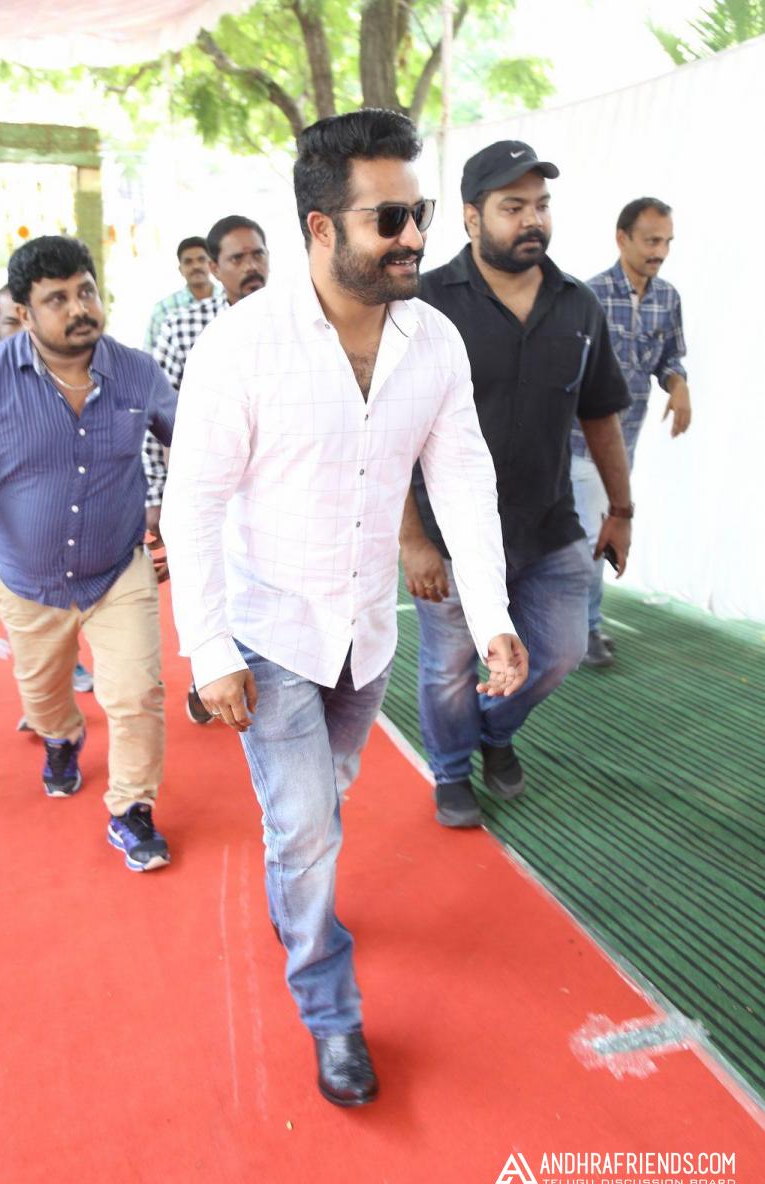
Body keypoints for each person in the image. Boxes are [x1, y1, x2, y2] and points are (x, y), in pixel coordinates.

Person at [161, 109, 528, 1105]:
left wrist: (491, 615)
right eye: (389, 219)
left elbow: (462, 480)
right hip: (270, 631)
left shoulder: (433, 341)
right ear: (321, 228)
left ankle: (298, 892)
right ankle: (331, 1013)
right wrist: (209, 651)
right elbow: (191, 505)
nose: (415, 236)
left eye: (418, 213)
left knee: (325, 799)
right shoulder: (242, 346)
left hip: (366, 634)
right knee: (308, 829)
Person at [400, 140, 633, 829]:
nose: (532, 219)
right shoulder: (422, 304)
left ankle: (495, 731)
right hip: (447, 535)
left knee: (560, 652)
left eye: (540, 205)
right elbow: (387, 431)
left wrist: (620, 509)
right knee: (449, 666)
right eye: (512, 207)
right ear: (471, 217)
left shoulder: (577, 305)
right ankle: (451, 773)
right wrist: (411, 539)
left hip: (549, 525)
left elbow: (600, 414)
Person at [0, 236, 176, 872]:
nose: (79, 307)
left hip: (118, 571)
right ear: (24, 312)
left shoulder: (138, 372)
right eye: (57, 299)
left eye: (85, 291)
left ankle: (132, 810)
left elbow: (198, 452)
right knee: (43, 697)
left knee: (136, 694)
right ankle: (61, 736)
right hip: (28, 583)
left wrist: (185, 529)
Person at [146, 215, 270, 725]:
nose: (251, 266)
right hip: (207, 487)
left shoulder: (299, 324)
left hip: (272, 490)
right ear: (216, 269)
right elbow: (153, 412)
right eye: (237, 259)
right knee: (214, 580)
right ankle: (210, 670)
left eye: (258, 254)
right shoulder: (183, 328)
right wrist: (156, 494)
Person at [571, 197, 690, 667]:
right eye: (651, 241)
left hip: (626, 446)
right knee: (590, 538)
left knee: (597, 534)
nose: (660, 252)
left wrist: (679, 387)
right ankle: (585, 630)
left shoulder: (668, 299)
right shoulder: (589, 297)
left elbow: (670, 359)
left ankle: (579, 626)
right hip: (580, 445)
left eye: (667, 242)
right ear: (622, 239)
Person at [0, 285, 95, 708]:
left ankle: (52, 684)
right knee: (30, 604)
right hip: (2, 523)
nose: (23, 332)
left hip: (75, 514)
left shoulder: (73, 370)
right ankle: (46, 696)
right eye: (11, 323)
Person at [142, 236, 222, 352]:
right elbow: (149, 354)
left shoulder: (228, 299)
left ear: (211, 264)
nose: (196, 266)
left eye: (201, 259)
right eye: (188, 262)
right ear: (180, 269)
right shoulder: (163, 309)